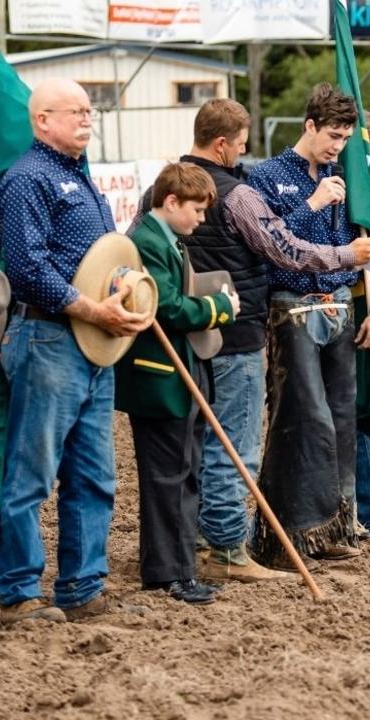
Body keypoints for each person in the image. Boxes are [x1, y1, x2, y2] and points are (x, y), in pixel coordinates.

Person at [130, 98, 370, 582]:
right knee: (235, 447)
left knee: (190, 445)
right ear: (221, 144)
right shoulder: (238, 194)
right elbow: (283, 248)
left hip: (180, 333)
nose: (243, 155)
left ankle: (190, 544)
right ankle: (226, 550)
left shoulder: (157, 192)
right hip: (234, 333)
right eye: (240, 145)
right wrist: (345, 255)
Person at [0, 79, 152, 623]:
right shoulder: (26, 180)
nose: (88, 118)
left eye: (91, 111)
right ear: (42, 120)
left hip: (90, 339)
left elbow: (100, 261)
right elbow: (27, 268)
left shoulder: (78, 178)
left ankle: (82, 586)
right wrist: (92, 309)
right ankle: (18, 591)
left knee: (94, 474)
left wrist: (126, 291)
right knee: (32, 473)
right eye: (77, 111)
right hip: (48, 336)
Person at [246, 83, 370, 563]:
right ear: (308, 126)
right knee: (303, 418)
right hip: (292, 304)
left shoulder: (350, 175)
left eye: (345, 136)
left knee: (342, 421)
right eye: (332, 134)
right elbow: (270, 244)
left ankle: (331, 528)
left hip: (341, 304)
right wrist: (311, 203)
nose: (337, 144)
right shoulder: (267, 176)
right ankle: (287, 532)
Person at [117, 162, 237, 604]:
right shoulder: (148, 242)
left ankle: (178, 567)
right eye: (197, 211)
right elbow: (166, 307)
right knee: (169, 477)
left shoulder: (165, 239)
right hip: (160, 378)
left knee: (186, 473)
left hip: (180, 373)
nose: (201, 220)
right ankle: (169, 574)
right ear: (171, 202)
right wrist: (219, 308)